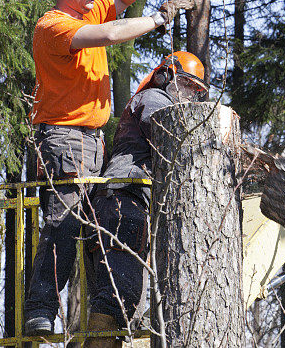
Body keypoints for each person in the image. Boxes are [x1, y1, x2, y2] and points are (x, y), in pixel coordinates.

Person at [24, 0, 194, 335]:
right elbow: (112, 31)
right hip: (65, 141)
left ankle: (95, 318)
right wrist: (158, 19)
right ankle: (40, 311)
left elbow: (117, 0)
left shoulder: (87, 11)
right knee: (62, 227)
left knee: (91, 229)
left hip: (90, 143)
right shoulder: (53, 26)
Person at [85, 52, 208, 347]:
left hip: (128, 204)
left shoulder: (157, 100)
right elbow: (173, 134)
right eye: (187, 86)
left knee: (123, 308)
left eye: (197, 91)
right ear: (165, 76)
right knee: (119, 294)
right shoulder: (155, 99)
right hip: (122, 201)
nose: (191, 96)